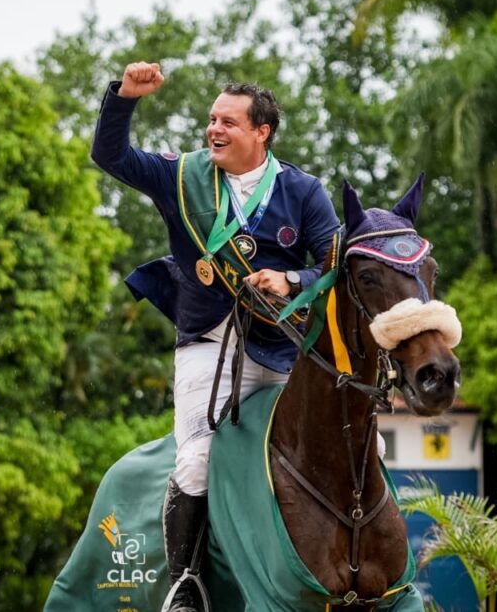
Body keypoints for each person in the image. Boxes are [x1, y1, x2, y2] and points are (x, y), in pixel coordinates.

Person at [91, 62, 340, 612]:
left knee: (350, 438)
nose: (214, 130)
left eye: (229, 121)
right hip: (205, 341)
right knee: (196, 460)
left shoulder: (302, 190)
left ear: (262, 132)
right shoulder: (182, 176)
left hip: (280, 347)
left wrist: (291, 278)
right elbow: (110, 157)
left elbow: (333, 263)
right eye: (211, 119)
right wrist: (125, 97)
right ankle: (186, 586)